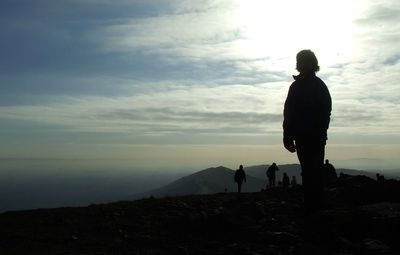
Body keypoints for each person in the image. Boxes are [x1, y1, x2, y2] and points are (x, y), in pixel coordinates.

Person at [283, 49, 332, 212]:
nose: (301, 64)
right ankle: (312, 204)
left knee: (313, 170)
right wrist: (287, 136)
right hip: (305, 136)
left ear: (312, 63)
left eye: (304, 61)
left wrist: (319, 131)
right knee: (309, 170)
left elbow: (325, 111)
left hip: (312, 136)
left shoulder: (313, 86)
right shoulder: (303, 86)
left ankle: (314, 204)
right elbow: (289, 113)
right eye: (299, 61)